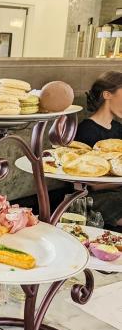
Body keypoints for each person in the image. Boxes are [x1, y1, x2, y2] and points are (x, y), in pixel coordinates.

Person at [74, 70, 122, 228]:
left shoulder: (118, 128)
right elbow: (92, 184)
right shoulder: (87, 130)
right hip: (94, 197)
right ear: (107, 94)